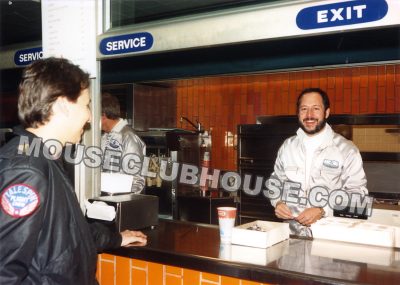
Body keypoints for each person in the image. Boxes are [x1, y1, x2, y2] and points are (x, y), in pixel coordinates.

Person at [0, 57, 147, 284]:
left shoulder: (44, 158)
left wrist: (117, 238)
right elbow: (5, 273)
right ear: (62, 105)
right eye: (86, 105)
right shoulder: (26, 170)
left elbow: (67, 231)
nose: (89, 117)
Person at [267, 88, 368, 237]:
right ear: (298, 113)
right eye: (304, 109)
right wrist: (278, 202)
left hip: (330, 236)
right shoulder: (288, 147)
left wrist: (322, 210)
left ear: (326, 112)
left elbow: (358, 197)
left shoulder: (346, 150)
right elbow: (276, 181)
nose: (309, 115)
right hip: (291, 235)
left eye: (316, 109)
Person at [101, 93, 146, 193]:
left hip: (121, 202)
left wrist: (102, 183)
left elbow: (136, 182)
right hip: (104, 201)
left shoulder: (128, 137)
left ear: (103, 116)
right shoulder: (104, 137)